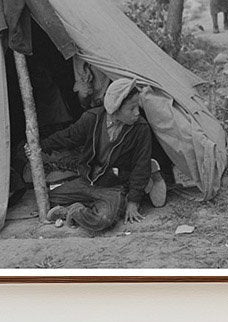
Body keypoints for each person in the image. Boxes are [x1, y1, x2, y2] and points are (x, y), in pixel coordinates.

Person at [23, 78, 165, 233]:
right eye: (131, 109)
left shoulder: (140, 129)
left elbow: (141, 165)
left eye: (138, 107)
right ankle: (82, 208)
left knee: (102, 220)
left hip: (114, 187)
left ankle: (74, 211)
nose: (137, 113)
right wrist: (38, 146)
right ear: (115, 110)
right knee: (46, 199)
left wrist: (133, 201)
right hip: (88, 181)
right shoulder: (93, 118)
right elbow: (68, 136)